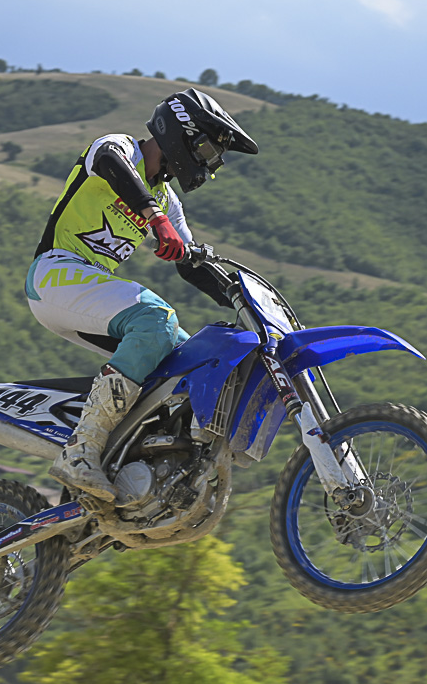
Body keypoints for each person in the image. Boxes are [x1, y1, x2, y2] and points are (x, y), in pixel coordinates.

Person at [26, 88, 258, 502]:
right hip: (56, 273)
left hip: (86, 293)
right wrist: (154, 217)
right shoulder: (119, 149)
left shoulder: (168, 202)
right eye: (208, 150)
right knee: (157, 319)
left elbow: (191, 264)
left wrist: (244, 301)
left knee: (194, 361)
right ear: (182, 133)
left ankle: (134, 466)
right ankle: (80, 451)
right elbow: (109, 163)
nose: (210, 163)